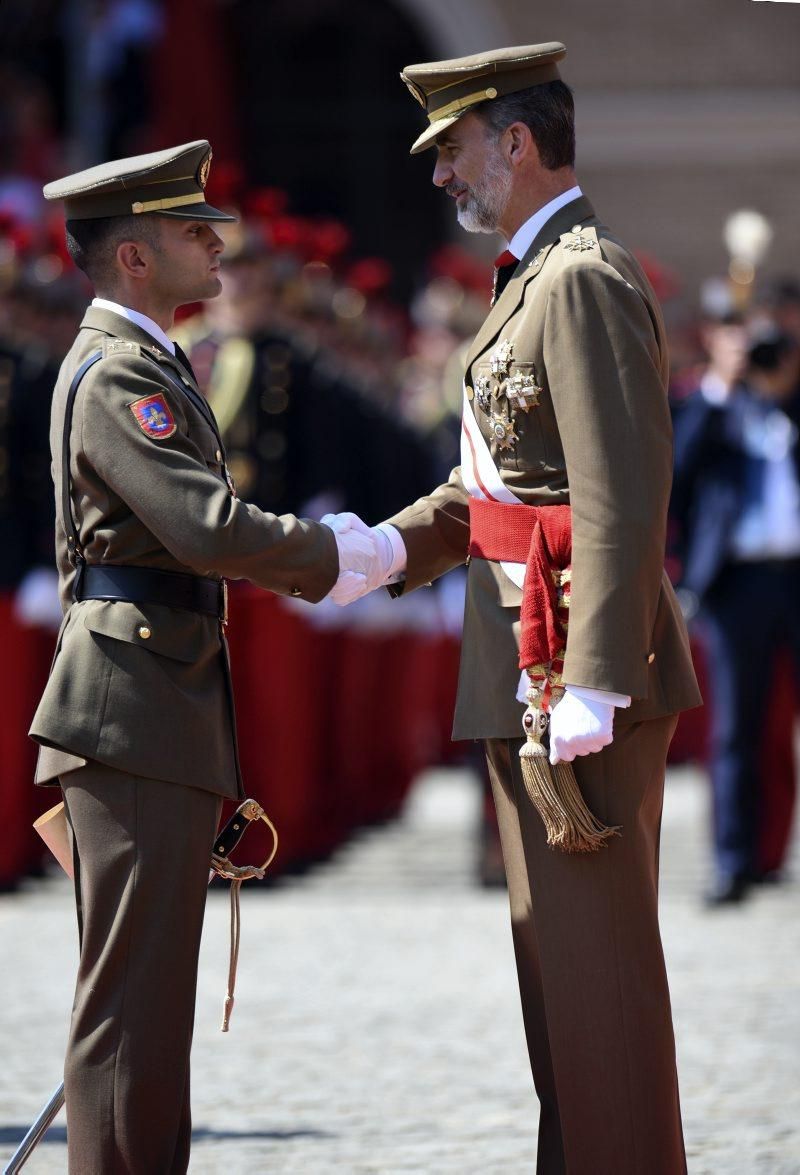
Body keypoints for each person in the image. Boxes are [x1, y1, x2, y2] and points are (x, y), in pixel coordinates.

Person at [325, 44, 702, 1174]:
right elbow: (496, 486)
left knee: (596, 989)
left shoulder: (578, 276)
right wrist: (387, 546)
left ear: (515, 143)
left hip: (566, 666)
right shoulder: (533, 273)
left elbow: (619, 492)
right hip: (524, 656)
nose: (443, 178)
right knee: (559, 986)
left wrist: (596, 673)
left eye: (451, 153)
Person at [29, 139, 376, 1175]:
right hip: (128, 707)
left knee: (148, 1003)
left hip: (149, 701)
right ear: (133, 256)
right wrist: (339, 552)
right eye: (192, 232)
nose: (215, 245)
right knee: (130, 1007)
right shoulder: (119, 372)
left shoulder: (146, 360)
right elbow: (203, 524)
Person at [672, 320, 800, 903]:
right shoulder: (710, 410)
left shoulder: (788, 407)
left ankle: (772, 853)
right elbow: (677, 473)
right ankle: (733, 861)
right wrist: (722, 386)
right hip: (737, 585)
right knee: (734, 730)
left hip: (794, 577)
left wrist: (782, 385)